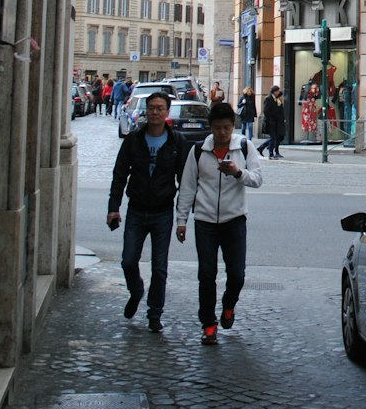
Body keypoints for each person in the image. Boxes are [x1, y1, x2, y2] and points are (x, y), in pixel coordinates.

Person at [176, 100, 264, 344]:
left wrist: (237, 172)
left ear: (233, 126)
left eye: (226, 127)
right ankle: (208, 324)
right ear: (210, 128)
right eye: (217, 128)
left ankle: (228, 306)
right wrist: (181, 220)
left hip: (234, 219)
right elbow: (187, 187)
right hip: (204, 221)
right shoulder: (198, 151)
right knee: (206, 274)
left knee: (237, 275)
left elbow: (257, 179)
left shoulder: (244, 147)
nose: (222, 133)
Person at [106, 89, 186, 334]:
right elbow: (120, 174)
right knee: (128, 260)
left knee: (159, 267)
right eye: (151, 108)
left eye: (160, 108)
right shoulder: (134, 139)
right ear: (146, 111)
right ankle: (136, 290)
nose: (155, 112)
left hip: (162, 212)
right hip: (137, 210)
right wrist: (113, 208)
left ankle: (155, 313)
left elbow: (185, 181)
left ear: (167, 112)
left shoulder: (176, 142)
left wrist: (183, 217)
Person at [261, 85, 285, 158]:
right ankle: (271, 154)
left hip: (277, 122)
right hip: (271, 122)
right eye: (277, 91)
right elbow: (266, 111)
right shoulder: (268, 99)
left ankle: (263, 148)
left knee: (276, 137)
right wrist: (270, 120)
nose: (278, 92)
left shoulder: (276, 99)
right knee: (273, 138)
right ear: (274, 91)